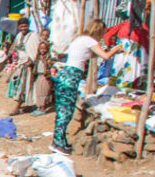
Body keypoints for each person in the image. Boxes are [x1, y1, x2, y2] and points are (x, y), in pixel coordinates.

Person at [51, 19, 122, 154]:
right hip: (71, 76)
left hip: (65, 74)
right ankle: (57, 143)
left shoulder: (80, 39)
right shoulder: (90, 41)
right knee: (66, 110)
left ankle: (59, 140)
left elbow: (93, 54)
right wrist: (116, 49)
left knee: (62, 108)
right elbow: (105, 56)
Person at [7, 18, 40, 112]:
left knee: (24, 86)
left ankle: (17, 107)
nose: (23, 28)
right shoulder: (19, 36)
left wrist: (32, 61)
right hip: (21, 63)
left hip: (28, 64)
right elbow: (17, 48)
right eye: (21, 27)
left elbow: (35, 51)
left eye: (25, 26)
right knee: (18, 84)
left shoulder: (33, 36)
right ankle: (29, 105)